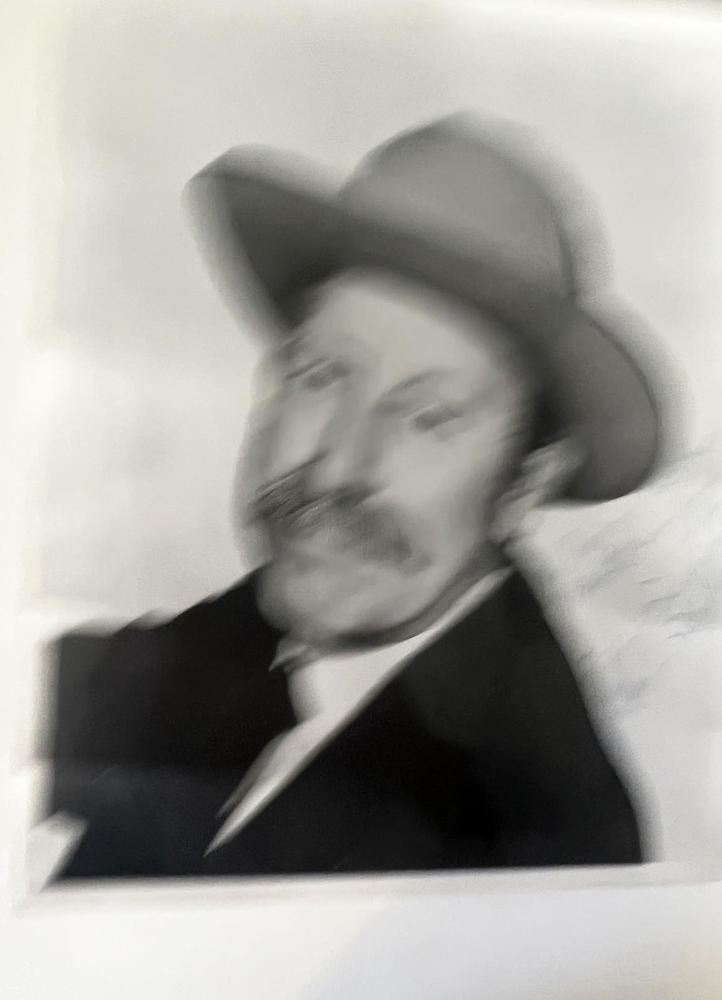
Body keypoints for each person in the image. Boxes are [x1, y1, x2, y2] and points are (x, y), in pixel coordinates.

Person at [47, 115, 662, 881]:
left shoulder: (550, 841)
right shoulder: (254, 633)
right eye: (322, 376)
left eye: (428, 417)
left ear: (524, 482)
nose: (338, 465)